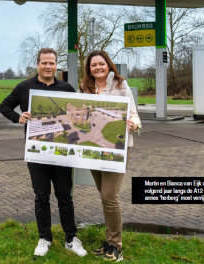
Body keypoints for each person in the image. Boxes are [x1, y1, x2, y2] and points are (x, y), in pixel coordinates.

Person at [0, 48, 87, 257]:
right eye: (44, 63)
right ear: (37, 64)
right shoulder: (24, 87)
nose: (48, 66)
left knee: (65, 196)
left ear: (57, 65)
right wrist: (17, 117)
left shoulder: (67, 88)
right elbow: (4, 107)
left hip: (62, 152)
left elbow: (76, 116)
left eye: (52, 63)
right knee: (41, 196)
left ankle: (70, 238)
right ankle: (44, 238)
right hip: (37, 152)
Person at [79, 50, 141, 262]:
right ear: (89, 68)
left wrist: (133, 124)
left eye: (101, 64)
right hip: (93, 148)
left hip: (117, 148)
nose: (97, 68)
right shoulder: (84, 88)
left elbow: (133, 115)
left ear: (108, 66)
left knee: (109, 196)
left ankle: (116, 246)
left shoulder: (121, 86)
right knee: (105, 196)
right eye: (93, 65)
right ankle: (109, 241)